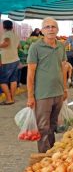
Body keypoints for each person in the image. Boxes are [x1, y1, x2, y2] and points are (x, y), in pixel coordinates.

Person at [26, 17, 68, 153]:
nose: (50, 29)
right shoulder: (35, 47)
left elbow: (63, 68)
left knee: (53, 126)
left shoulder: (61, 46)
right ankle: (44, 156)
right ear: (42, 31)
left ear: (57, 30)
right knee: (43, 128)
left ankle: (52, 153)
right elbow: (30, 73)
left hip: (58, 92)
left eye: (53, 27)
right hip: (42, 94)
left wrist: (65, 88)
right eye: (47, 27)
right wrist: (30, 96)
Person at [0, 20, 20, 105]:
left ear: (4, 26)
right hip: (15, 59)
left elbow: (6, 43)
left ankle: (9, 99)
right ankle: (12, 98)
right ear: (11, 26)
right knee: (13, 79)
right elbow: (19, 46)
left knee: (2, 81)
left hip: (7, 60)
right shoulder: (15, 35)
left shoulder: (7, 34)